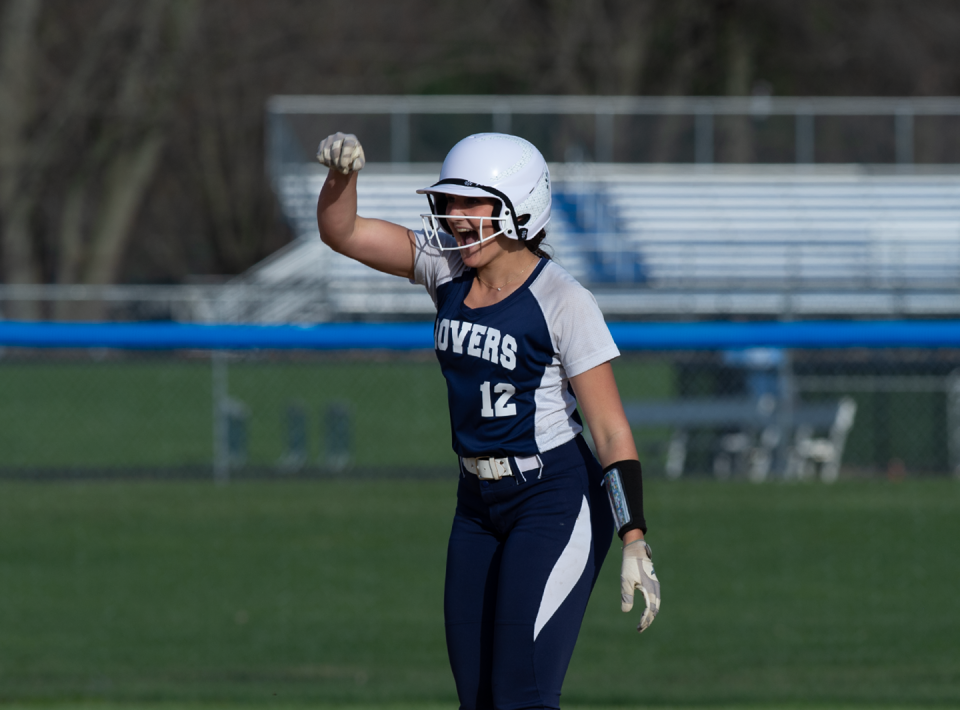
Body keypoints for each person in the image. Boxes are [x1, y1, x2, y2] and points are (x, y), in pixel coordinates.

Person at [315, 131, 660, 710]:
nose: (455, 217)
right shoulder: (447, 269)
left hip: (552, 495)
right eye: (450, 202)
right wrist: (342, 177)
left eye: (472, 203)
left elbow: (610, 431)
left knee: (520, 694)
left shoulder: (562, 299)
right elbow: (341, 231)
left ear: (519, 203)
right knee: (476, 699)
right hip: (476, 501)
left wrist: (634, 537)